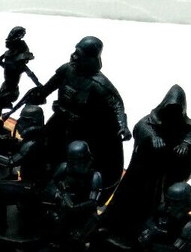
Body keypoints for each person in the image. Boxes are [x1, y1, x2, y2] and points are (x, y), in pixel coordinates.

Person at [23, 36, 130, 195]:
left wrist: (123, 126)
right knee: (43, 147)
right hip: (59, 121)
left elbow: (117, 106)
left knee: (74, 159)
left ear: (90, 59)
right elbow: (50, 86)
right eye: (75, 51)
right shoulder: (66, 70)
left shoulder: (99, 85)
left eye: (79, 54)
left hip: (81, 131)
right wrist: (39, 95)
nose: (73, 56)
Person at [101, 84, 191, 241]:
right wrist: (152, 137)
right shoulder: (151, 121)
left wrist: (186, 144)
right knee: (128, 200)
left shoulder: (186, 129)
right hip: (143, 173)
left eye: (177, 110)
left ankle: (146, 235)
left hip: (164, 177)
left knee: (157, 207)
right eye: (170, 108)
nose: (172, 113)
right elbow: (141, 127)